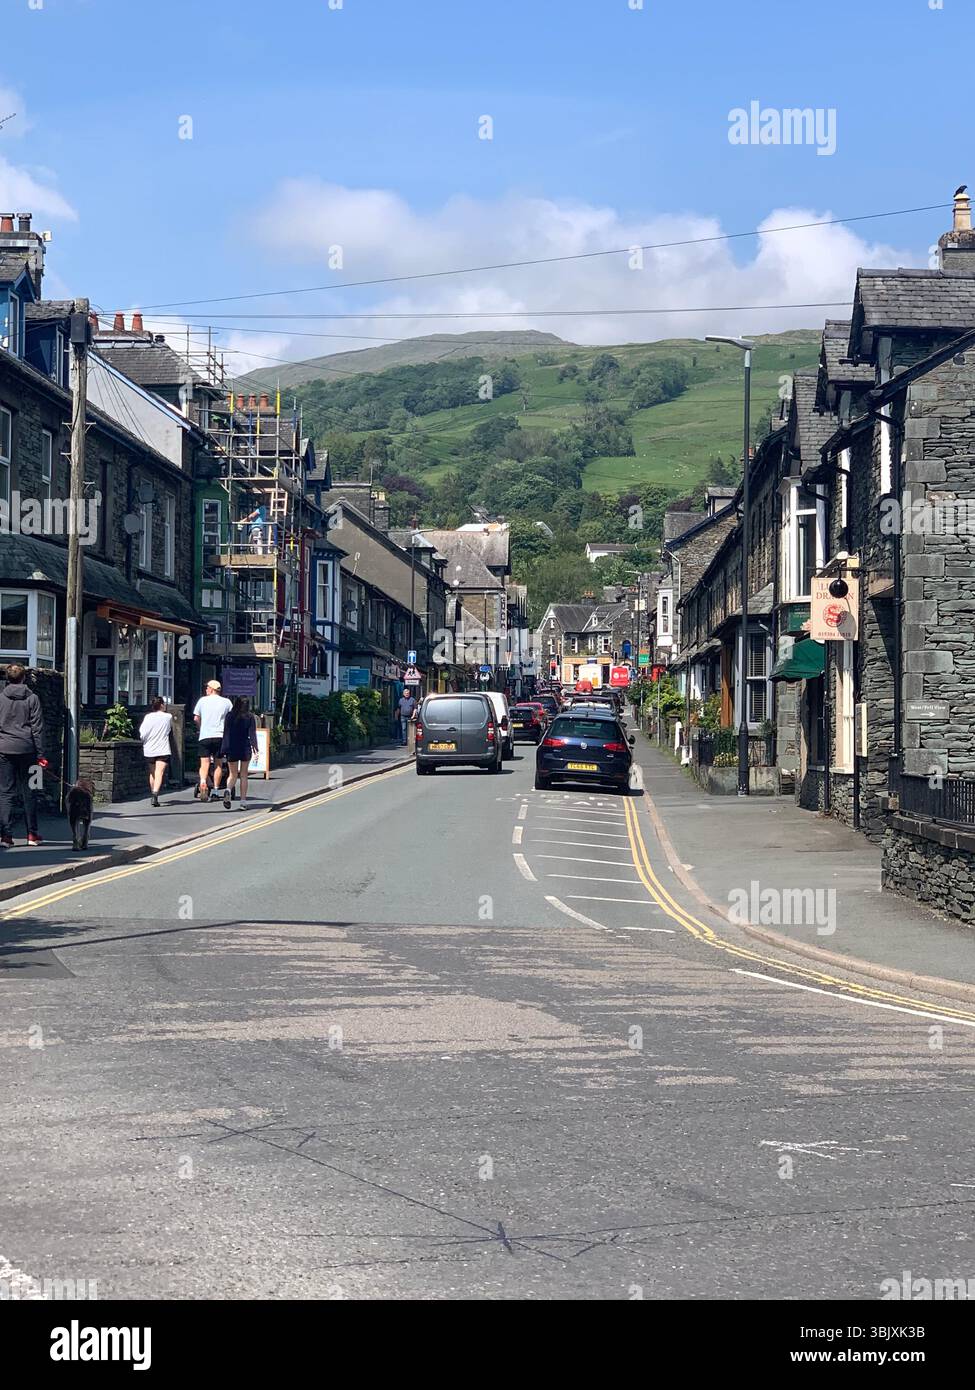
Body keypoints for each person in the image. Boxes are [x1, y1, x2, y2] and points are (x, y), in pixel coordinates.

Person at [0, 664, 48, 847]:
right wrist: (41, 755)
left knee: (5, 793)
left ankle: (6, 836)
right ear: (23, 678)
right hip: (29, 751)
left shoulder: (1, 699)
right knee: (30, 791)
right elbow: (37, 728)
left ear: (7, 678)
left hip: (4, 750)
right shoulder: (33, 699)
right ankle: (32, 835)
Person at [194, 679, 232, 801]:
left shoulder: (202, 701)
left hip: (205, 736)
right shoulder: (226, 702)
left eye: (207, 688)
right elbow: (230, 719)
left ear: (211, 689)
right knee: (218, 764)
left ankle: (203, 782)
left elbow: (196, 718)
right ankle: (215, 790)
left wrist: (201, 728)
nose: (206, 690)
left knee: (204, 763)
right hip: (219, 736)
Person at [220, 697, 259, 810]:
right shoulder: (250, 717)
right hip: (245, 747)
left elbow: (226, 733)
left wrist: (224, 749)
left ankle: (228, 790)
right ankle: (243, 802)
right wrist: (255, 747)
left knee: (232, 774)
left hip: (232, 747)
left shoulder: (229, 716)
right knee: (243, 775)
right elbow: (252, 734)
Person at [139, 696, 173, 808]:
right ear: (162, 705)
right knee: (159, 773)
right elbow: (168, 730)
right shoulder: (168, 717)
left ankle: (153, 793)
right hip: (162, 748)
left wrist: (145, 741)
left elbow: (142, 733)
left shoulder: (148, 717)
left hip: (149, 748)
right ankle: (155, 794)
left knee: (153, 773)